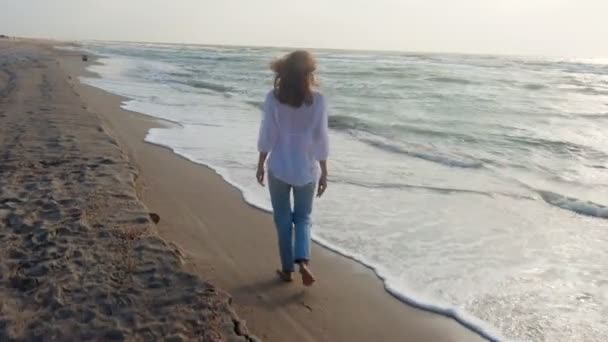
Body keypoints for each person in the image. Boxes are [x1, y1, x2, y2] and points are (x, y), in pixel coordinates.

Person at [256, 50, 329, 287]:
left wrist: (260, 163)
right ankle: (303, 261)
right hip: (306, 170)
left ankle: (287, 269)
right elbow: (321, 138)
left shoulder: (273, 98)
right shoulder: (318, 101)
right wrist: (324, 170)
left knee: (283, 219)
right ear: (309, 74)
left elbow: (268, 133)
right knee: (304, 218)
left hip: (278, 168)